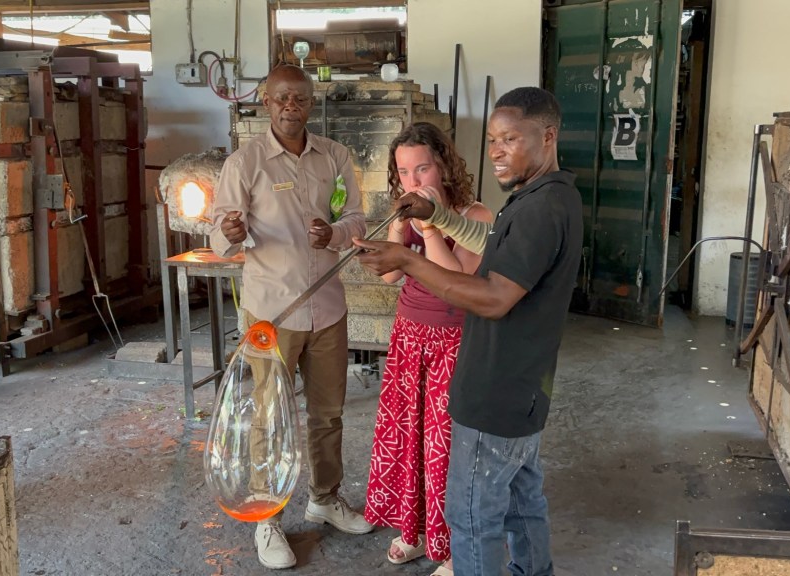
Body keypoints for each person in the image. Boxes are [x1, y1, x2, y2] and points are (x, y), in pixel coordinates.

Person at [354, 87, 581, 575]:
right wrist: (435, 218)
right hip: (524, 387)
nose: (497, 150)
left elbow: (494, 297)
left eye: (510, 139)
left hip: (496, 390)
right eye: (493, 139)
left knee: (472, 517)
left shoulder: (540, 210)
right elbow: (490, 242)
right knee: (521, 502)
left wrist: (410, 258)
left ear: (547, 136)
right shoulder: (541, 197)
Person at [209, 63, 372, 570]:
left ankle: (324, 498)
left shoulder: (335, 157)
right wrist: (230, 234)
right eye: (281, 98)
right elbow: (217, 232)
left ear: (310, 104)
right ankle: (268, 517)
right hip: (271, 314)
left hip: (328, 309)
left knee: (328, 414)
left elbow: (356, 218)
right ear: (265, 102)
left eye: (299, 99)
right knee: (268, 418)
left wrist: (335, 234)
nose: (290, 107)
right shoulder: (245, 163)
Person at [364, 123, 492, 575]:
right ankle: (415, 531)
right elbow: (391, 275)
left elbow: (457, 281)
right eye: (404, 172)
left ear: (444, 166)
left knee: (445, 447)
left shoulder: (475, 215)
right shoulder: (407, 212)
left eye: (422, 169)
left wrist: (432, 226)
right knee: (408, 439)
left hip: (453, 342)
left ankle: (455, 547)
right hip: (409, 337)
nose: (413, 181)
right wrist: (399, 227)